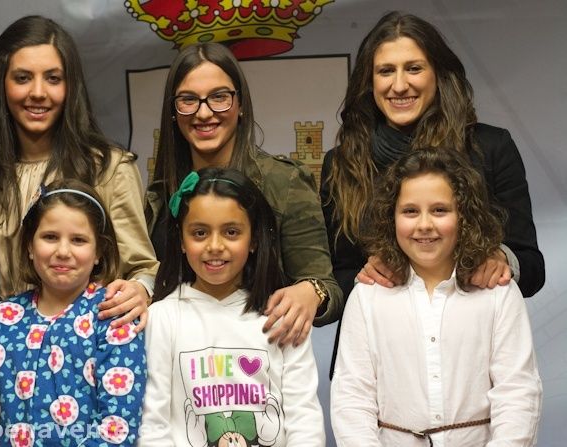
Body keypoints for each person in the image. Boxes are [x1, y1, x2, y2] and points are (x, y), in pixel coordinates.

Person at [0, 15, 158, 444]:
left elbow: (141, 268)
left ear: (70, 87)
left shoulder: (109, 169)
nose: (37, 92)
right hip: (2, 387)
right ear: (3, 85)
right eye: (23, 77)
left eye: (53, 78)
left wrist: (141, 289)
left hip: (81, 385)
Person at [320, 11, 544, 374]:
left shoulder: (490, 148)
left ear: (438, 73)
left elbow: (532, 268)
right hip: (378, 363)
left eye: (413, 68)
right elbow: (338, 275)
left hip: (470, 362)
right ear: (368, 81)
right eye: (386, 71)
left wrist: (500, 260)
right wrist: (366, 275)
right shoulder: (342, 163)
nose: (399, 85)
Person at [330, 148, 542, 446]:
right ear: (391, 218)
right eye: (410, 211)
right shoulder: (367, 296)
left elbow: (517, 393)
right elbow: (352, 397)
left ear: (464, 216)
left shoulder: (498, 293)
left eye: (440, 210)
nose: (424, 225)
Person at [146, 42, 342, 348]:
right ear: (173, 111)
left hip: (261, 355)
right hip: (176, 358)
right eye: (188, 100)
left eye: (219, 97)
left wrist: (310, 291)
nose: (204, 112)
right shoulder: (161, 192)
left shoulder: (284, 181)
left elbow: (326, 286)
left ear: (241, 104)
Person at [140, 168, 325, 446]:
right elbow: (153, 423)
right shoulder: (162, 318)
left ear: (254, 240)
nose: (215, 246)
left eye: (231, 232)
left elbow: (304, 419)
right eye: (200, 233)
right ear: (181, 241)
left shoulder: (282, 316)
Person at [0, 179, 147, 446]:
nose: (63, 251)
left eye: (78, 240)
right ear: (29, 246)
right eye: (50, 237)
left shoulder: (113, 316)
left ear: (99, 252)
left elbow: (117, 427)